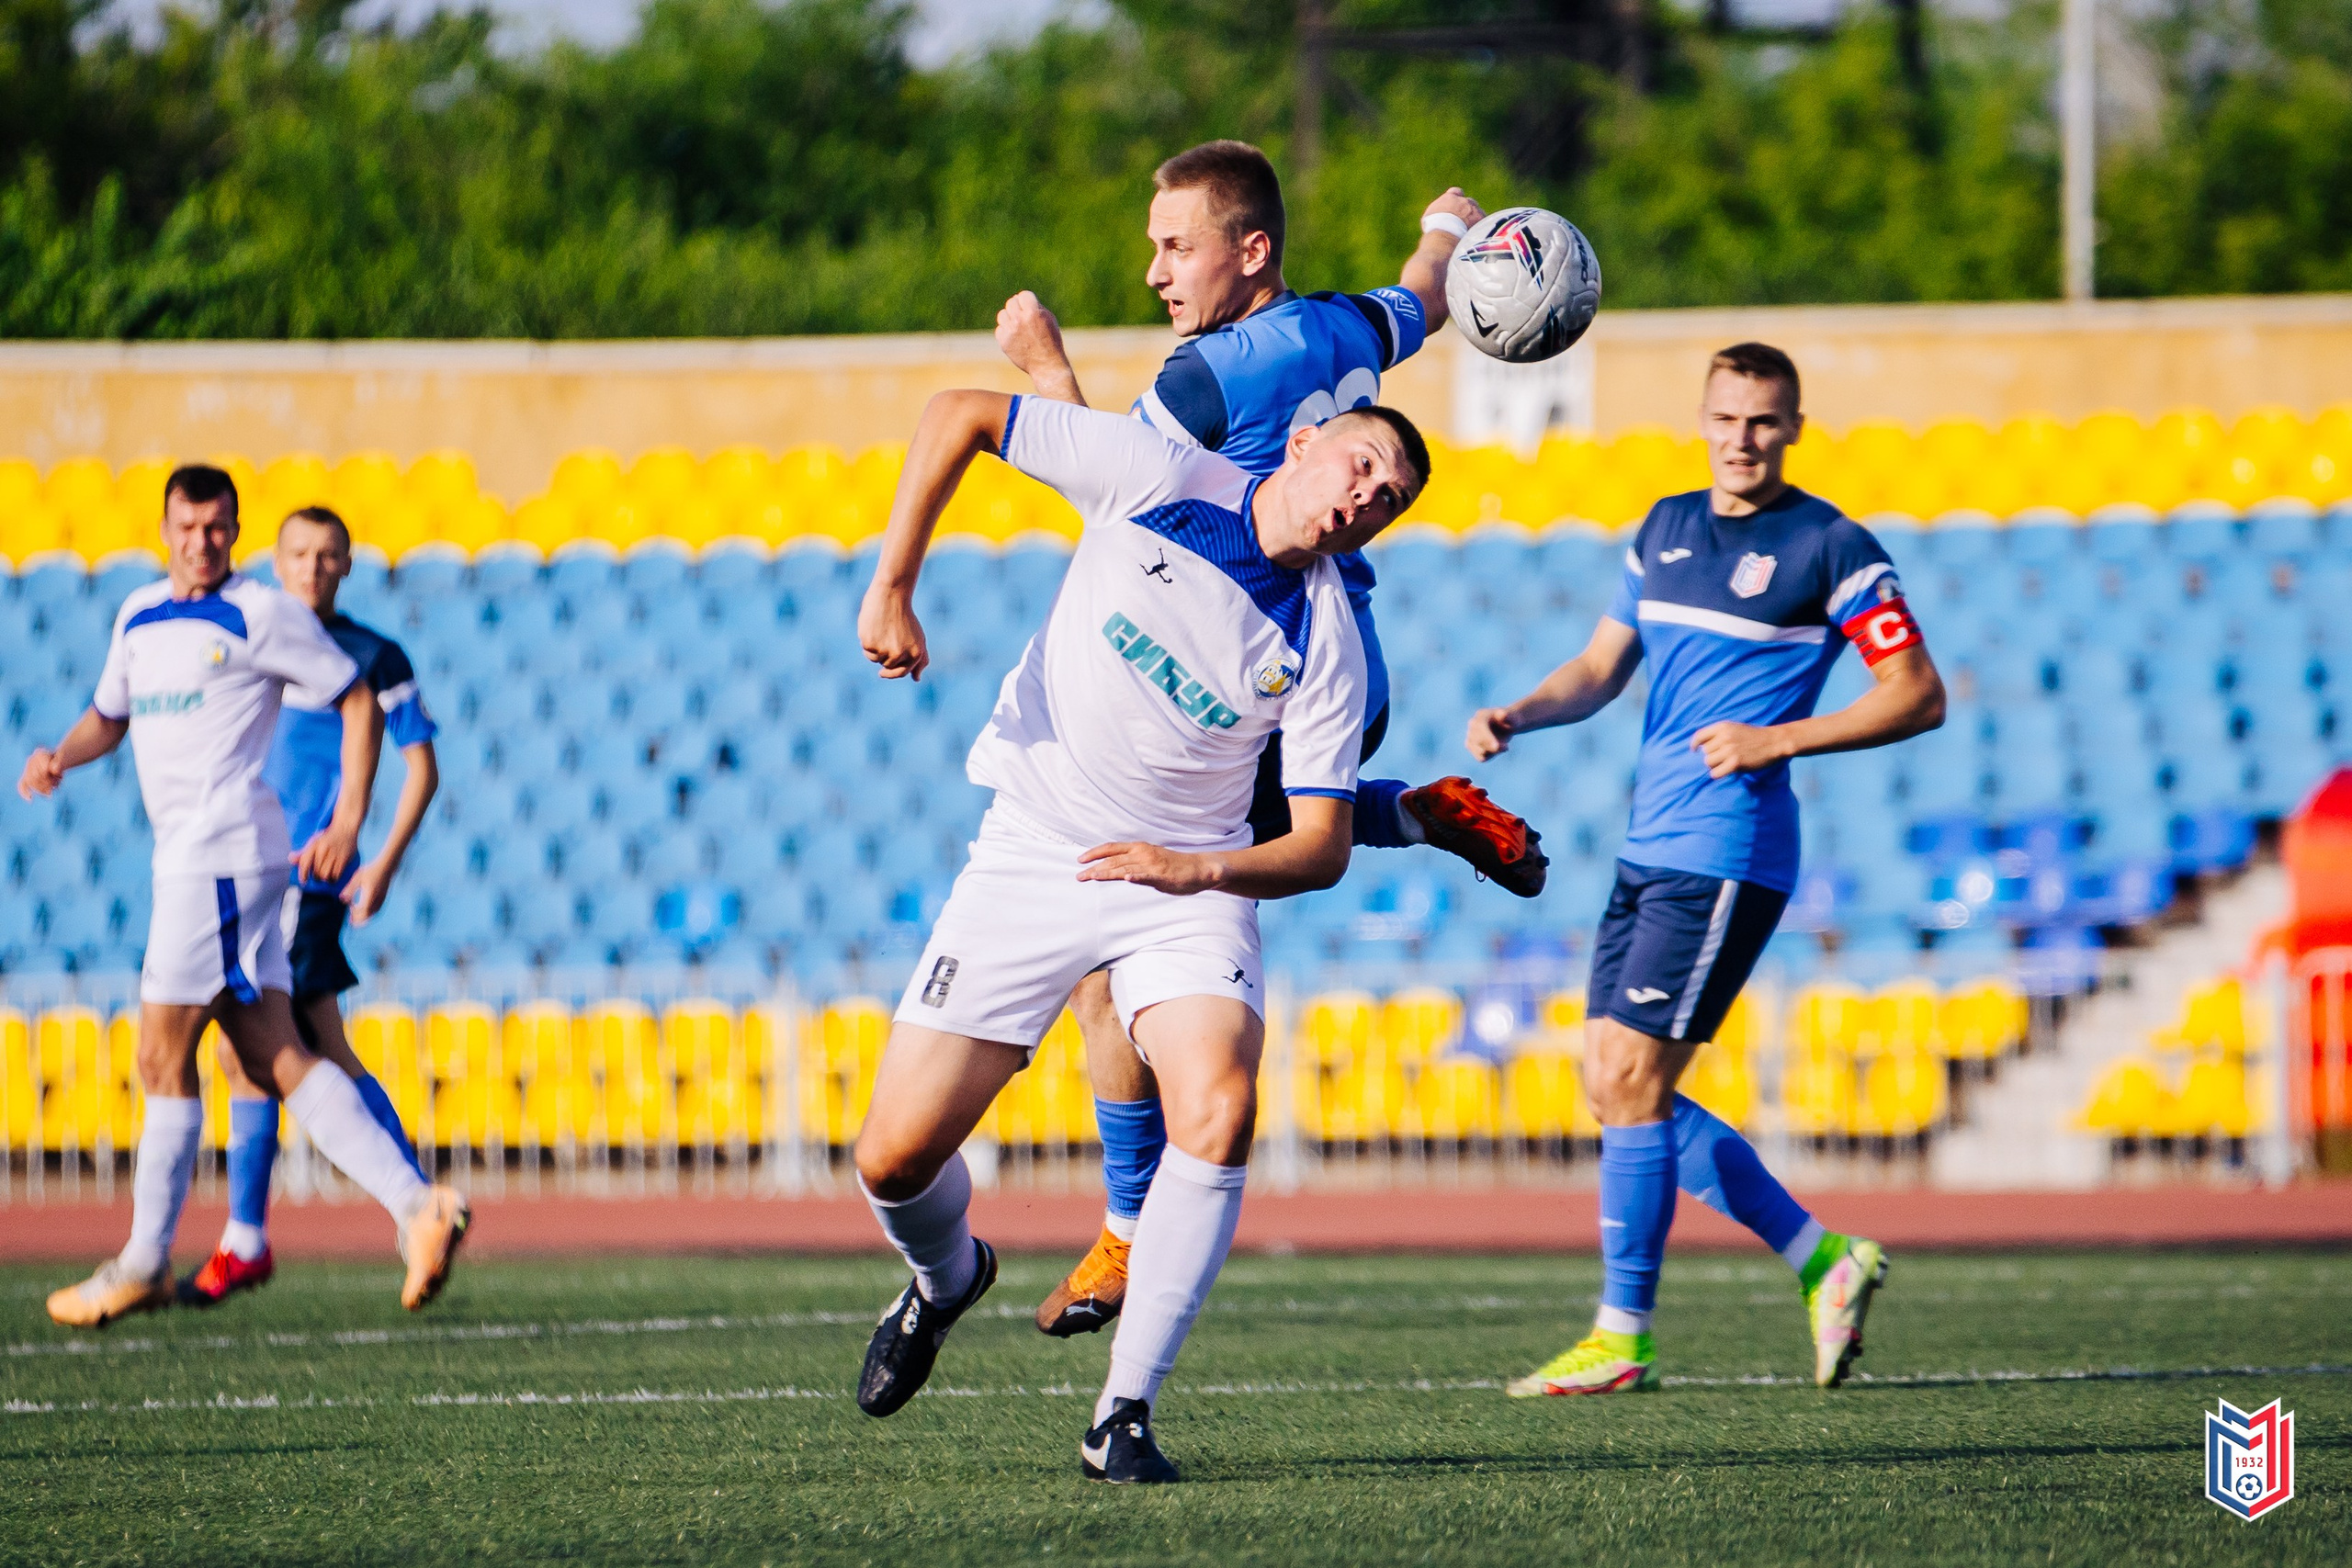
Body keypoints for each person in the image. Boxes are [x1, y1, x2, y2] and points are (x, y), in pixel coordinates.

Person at [994, 138, 1546, 1337]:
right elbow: (1424, 300)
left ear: (1251, 251)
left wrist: (1040, 363)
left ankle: (1131, 1229)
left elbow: (1105, 487)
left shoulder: (1207, 377)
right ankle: (1396, 807)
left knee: (1107, 933)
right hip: (1348, 667)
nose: (1155, 271)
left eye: (1175, 245)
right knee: (1133, 930)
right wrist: (1446, 226)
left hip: (1244, 671)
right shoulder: (1345, 331)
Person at [852, 384, 1430, 1482]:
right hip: (1037, 846)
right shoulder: (1164, 473)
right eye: (1359, 466)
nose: (1364, 497)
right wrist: (892, 587)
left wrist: (1193, 866)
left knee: (1219, 1101)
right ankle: (943, 1279)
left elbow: (1319, 846)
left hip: (1188, 884)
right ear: (1304, 443)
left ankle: (1123, 1413)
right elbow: (958, 414)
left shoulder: (1327, 640)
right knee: (891, 1156)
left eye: (1386, 500)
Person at [1465, 344, 1947, 1393]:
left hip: (1727, 853)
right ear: (1702, 417)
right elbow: (1599, 668)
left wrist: (1780, 740)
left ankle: (1621, 1336)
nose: (1742, 439)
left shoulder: (1831, 547)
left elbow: (1916, 693)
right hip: (1648, 848)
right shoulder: (1664, 527)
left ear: (1794, 428)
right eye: (1727, 418)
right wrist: (1522, 712)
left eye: (1764, 422)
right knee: (1613, 1085)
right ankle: (1825, 1261)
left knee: (1631, 1084)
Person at [21, 467, 470, 1330]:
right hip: (197, 861)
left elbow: (356, 698)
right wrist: (61, 756)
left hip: (222, 858)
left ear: (235, 532)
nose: (203, 542)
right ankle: (417, 1205)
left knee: (163, 1051)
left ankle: (145, 1260)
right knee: (269, 1049)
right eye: (189, 527)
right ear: (164, 529)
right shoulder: (140, 616)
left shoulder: (260, 613)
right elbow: (108, 714)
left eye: (218, 527)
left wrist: (349, 822)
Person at [177, 505, 442, 1307]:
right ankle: (405, 1208)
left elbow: (422, 765)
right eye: (300, 553)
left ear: (350, 564)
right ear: (277, 559)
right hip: (244, 867)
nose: (314, 567)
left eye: (329, 555)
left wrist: (377, 857)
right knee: (293, 1043)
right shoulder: (254, 638)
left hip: (302, 880)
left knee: (273, 1042)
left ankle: (270, 1234)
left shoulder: (370, 653)